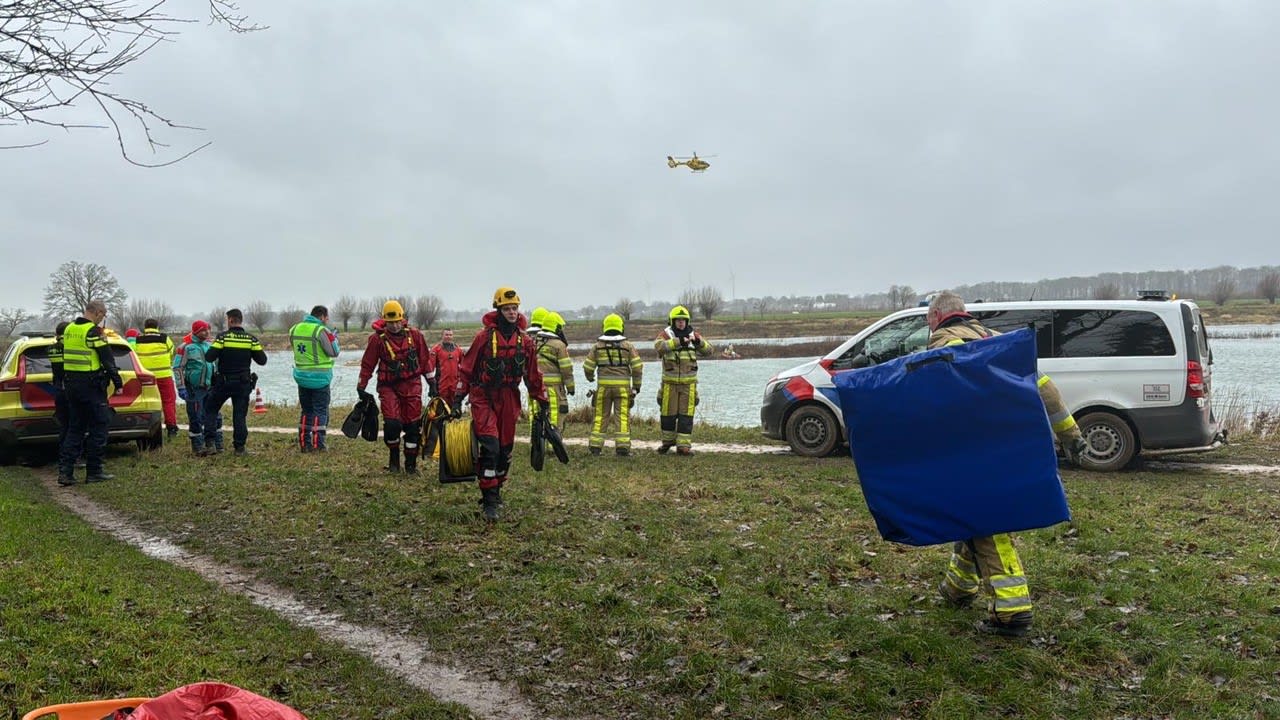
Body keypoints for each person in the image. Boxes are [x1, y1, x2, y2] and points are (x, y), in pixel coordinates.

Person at [926, 291, 1088, 637]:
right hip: (1009, 449)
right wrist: (1071, 435)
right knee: (973, 517)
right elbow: (1047, 390)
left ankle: (1013, 612)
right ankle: (959, 588)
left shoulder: (942, 343)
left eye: (928, 318)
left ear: (938, 315)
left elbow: (935, 399)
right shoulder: (1000, 342)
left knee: (987, 524)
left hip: (972, 452)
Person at [457, 286, 547, 521]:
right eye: (507, 309)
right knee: (491, 446)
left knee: (505, 451)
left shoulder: (525, 342)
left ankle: (495, 491)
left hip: (509, 396)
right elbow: (466, 369)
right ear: (498, 310)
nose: (512, 312)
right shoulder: (483, 338)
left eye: (515, 308)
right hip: (483, 395)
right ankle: (488, 501)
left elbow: (533, 375)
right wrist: (457, 398)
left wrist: (542, 398)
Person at [357, 300, 434, 474]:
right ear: (384, 321)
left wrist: (432, 383)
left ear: (403, 319)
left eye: (397, 321)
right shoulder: (377, 340)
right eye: (390, 322)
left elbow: (425, 361)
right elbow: (367, 364)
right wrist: (361, 386)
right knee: (392, 424)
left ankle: (411, 465)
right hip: (388, 386)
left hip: (412, 385)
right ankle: (393, 458)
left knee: (413, 427)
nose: (394, 325)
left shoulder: (415, 336)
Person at [56, 300, 122, 485]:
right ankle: (94, 471)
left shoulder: (68, 329)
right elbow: (107, 359)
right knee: (99, 426)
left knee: (75, 428)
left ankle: (65, 472)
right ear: (98, 312)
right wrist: (118, 382)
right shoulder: (93, 331)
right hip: (91, 386)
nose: (103, 318)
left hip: (71, 386)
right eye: (104, 314)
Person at [203, 308, 268, 456]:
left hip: (223, 383)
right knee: (239, 415)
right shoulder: (251, 339)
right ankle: (239, 448)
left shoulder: (222, 338)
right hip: (243, 384)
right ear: (241, 320)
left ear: (231, 320)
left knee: (211, 409)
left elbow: (209, 357)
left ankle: (210, 444)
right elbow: (262, 361)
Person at [653, 305, 713, 455]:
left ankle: (684, 447)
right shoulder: (666, 335)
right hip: (669, 384)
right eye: (678, 320)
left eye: (683, 320)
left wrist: (698, 342)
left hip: (689, 385)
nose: (681, 323)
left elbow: (709, 351)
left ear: (687, 321)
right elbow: (659, 347)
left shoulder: (694, 336)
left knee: (686, 416)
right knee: (668, 415)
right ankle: (667, 443)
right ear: (672, 322)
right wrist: (678, 341)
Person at [583, 313, 643, 456]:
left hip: (603, 388)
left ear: (605, 327)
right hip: (622, 389)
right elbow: (637, 367)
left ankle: (595, 447)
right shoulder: (628, 346)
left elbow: (588, 367)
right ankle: (622, 448)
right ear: (621, 328)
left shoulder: (597, 347)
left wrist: (590, 378)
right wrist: (636, 387)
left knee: (600, 416)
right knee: (622, 417)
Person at [289, 305, 340, 453]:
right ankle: (319, 444)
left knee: (306, 410)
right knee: (320, 411)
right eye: (326, 317)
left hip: (301, 376)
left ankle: (304, 444)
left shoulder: (295, 329)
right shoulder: (321, 330)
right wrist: (334, 338)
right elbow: (334, 351)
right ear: (322, 316)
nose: (327, 320)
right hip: (320, 378)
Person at [175, 320, 221, 455]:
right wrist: (181, 387)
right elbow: (177, 368)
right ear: (196, 332)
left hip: (209, 388)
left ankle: (215, 443)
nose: (207, 332)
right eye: (203, 330)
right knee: (195, 417)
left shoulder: (209, 346)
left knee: (214, 416)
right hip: (193, 389)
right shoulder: (185, 347)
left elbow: (215, 365)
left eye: (208, 329)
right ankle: (197, 447)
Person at [133, 318, 180, 439]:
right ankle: (171, 428)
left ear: (145, 327)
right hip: (164, 375)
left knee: (147, 402)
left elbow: (135, 357)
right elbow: (171, 352)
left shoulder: (138, 340)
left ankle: (146, 426)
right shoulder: (164, 338)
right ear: (157, 326)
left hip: (146, 377)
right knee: (168, 401)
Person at [424, 328, 465, 457]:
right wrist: (432, 387)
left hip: (454, 388)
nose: (448, 336)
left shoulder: (458, 350)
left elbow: (464, 369)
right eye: (446, 335)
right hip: (441, 387)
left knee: (454, 415)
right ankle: (434, 447)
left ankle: (453, 444)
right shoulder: (436, 350)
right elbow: (429, 368)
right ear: (442, 336)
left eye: (450, 334)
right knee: (438, 416)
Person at [534, 311, 575, 434]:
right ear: (556, 327)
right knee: (556, 414)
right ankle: (554, 446)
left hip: (537, 386)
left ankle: (537, 442)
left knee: (539, 414)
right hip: (554, 387)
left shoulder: (535, 342)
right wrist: (571, 387)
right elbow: (566, 369)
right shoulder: (559, 345)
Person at [49, 321, 70, 448]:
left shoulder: (52, 348)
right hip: (71, 388)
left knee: (64, 424)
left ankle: (64, 453)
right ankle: (74, 455)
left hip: (59, 388)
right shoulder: (73, 347)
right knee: (74, 425)